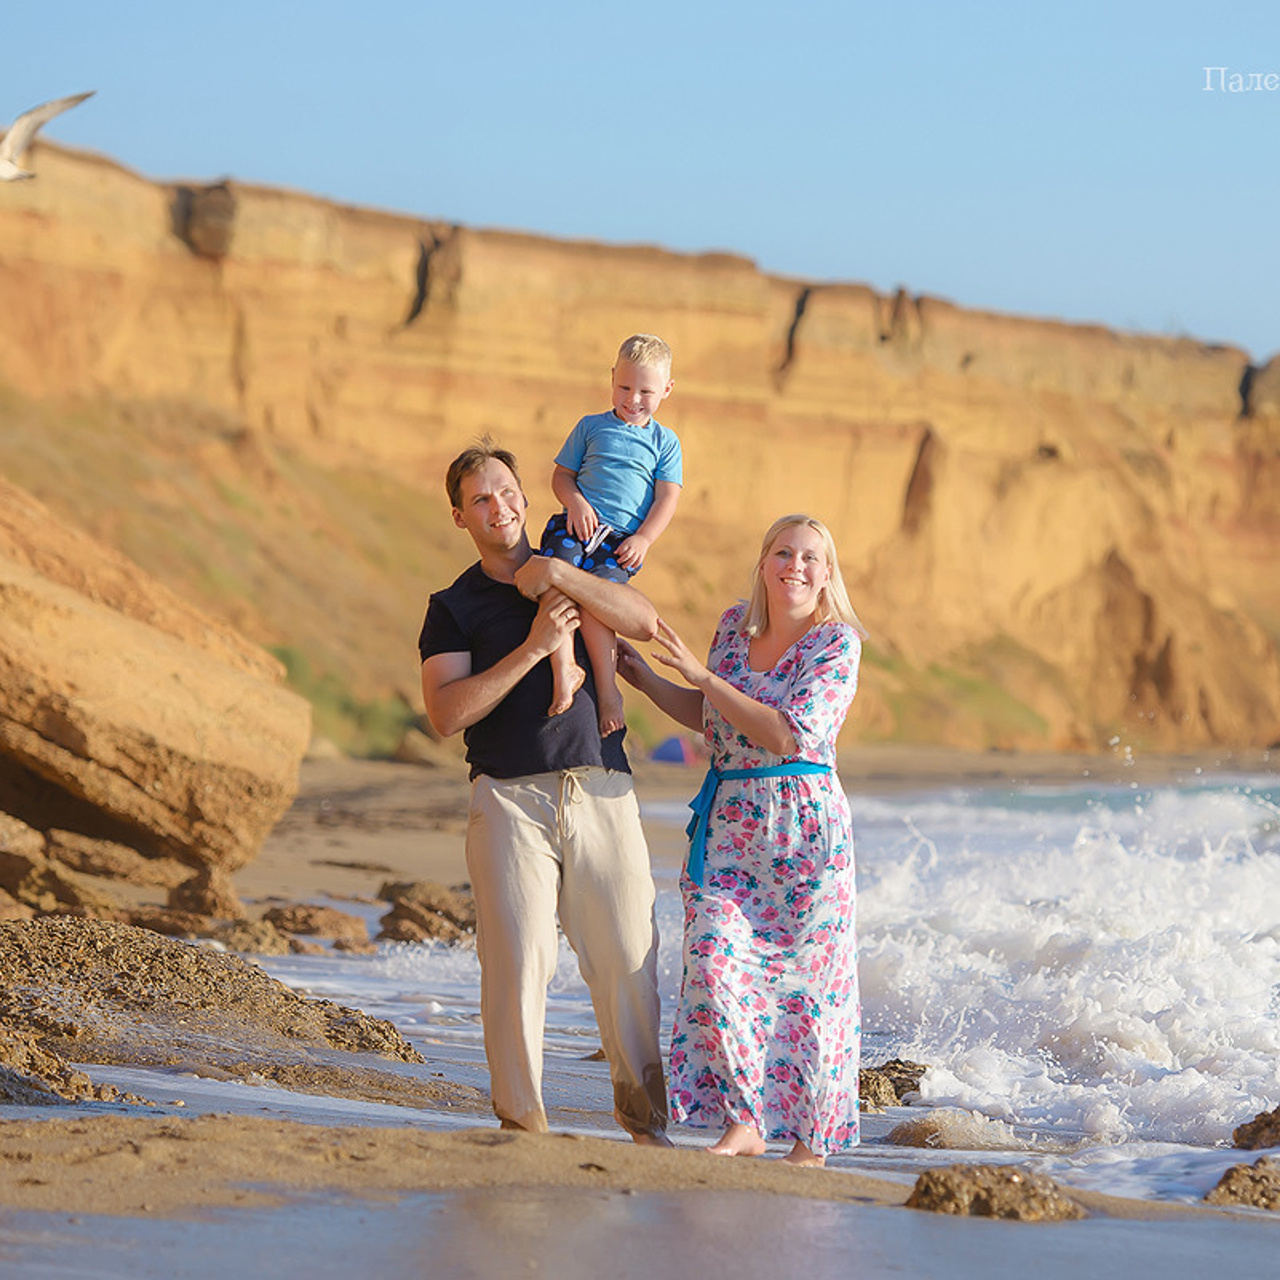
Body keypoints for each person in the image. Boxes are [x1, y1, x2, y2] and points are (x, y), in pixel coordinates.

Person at [418, 439, 670, 1145]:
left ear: (526, 498)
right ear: (460, 518)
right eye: (478, 499)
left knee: (628, 957)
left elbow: (645, 623)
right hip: (507, 800)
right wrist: (532, 647)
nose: (497, 506)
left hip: (602, 789)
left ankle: (647, 1125)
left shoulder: (581, 560)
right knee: (517, 962)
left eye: (505, 491)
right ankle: (522, 1120)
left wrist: (560, 575)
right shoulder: (453, 607)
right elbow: (445, 714)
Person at [617, 513, 866, 1166]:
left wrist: (704, 678)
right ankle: (745, 1121)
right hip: (729, 827)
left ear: (828, 574)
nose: (796, 565)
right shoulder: (733, 628)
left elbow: (787, 733)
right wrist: (646, 679)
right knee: (714, 959)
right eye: (783, 552)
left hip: (805, 833)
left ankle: (812, 1139)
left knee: (811, 988)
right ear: (763, 563)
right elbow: (714, 714)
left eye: (812, 557)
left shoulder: (838, 644)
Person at [540, 333, 682, 737]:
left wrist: (645, 539)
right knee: (558, 581)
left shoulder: (665, 442)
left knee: (598, 601)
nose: (632, 399)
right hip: (576, 526)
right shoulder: (590, 427)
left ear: (667, 390)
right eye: (624, 387)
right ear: (612, 378)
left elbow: (667, 499)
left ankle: (607, 691)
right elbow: (562, 476)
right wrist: (576, 503)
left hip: (618, 543)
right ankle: (564, 665)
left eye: (645, 391)